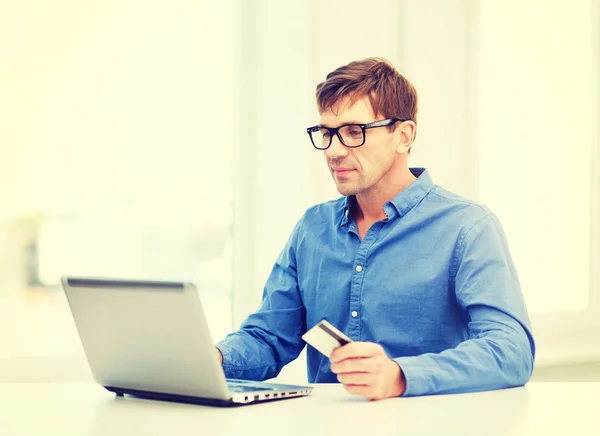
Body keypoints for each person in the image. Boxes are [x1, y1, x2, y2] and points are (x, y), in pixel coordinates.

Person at [215, 57, 535, 400]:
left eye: (354, 132)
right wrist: (212, 359)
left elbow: (510, 349)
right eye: (327, 133)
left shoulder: (467, 228)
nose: (334, 151)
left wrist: (400, 376)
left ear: (403, 136)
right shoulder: (313, 229)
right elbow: (269, 338)